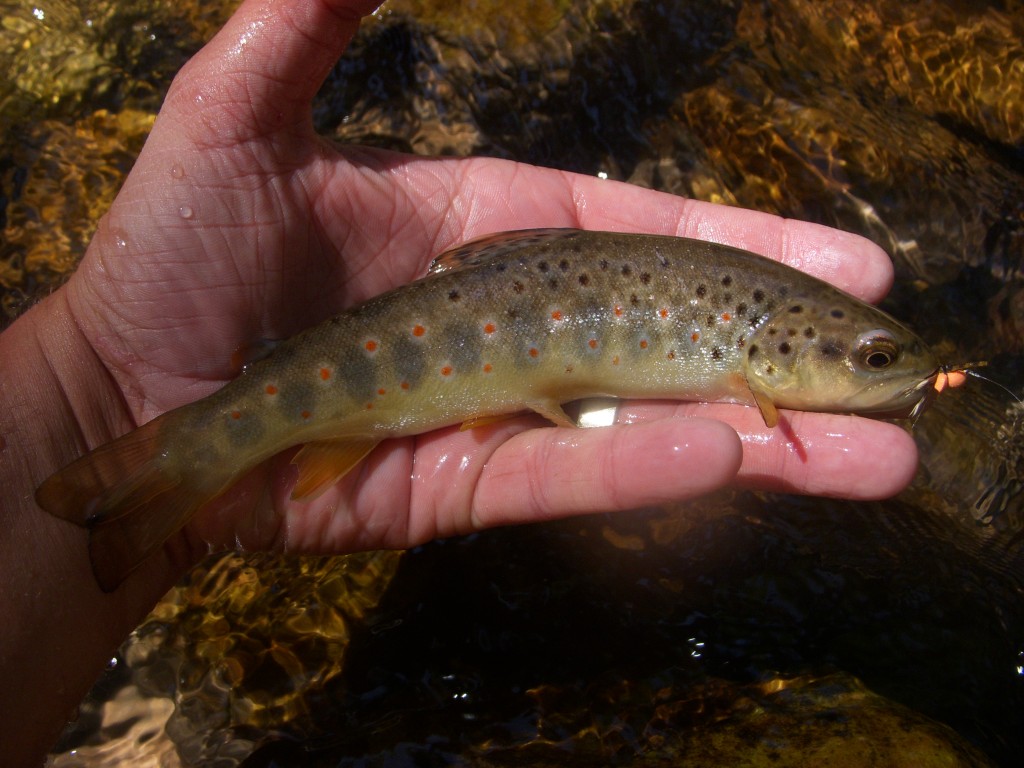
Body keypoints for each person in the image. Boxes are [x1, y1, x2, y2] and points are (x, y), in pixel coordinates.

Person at [0, 0, 919, 763]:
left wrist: (86, 390)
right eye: (874, 360)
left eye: (878, 360)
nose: (893, 373)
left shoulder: (759, 320)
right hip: (383, 362)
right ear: (781, 352)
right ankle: (177, 453)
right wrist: (94, 382)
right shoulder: (750, 337)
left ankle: (150, 456)